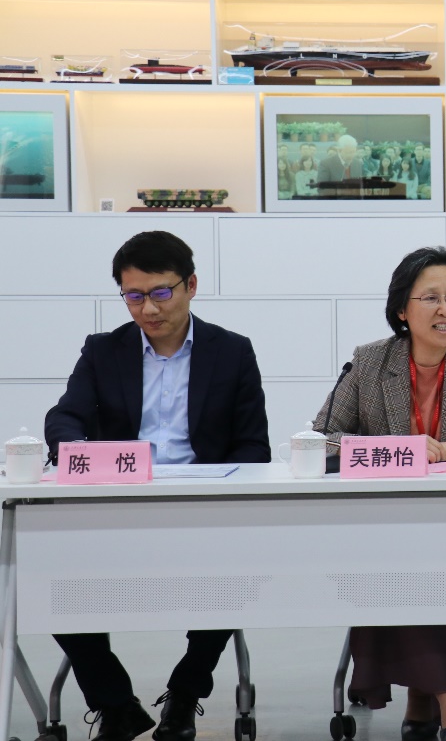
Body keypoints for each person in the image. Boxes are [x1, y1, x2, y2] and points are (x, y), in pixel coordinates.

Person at [44, 230, 270, 741]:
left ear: (191, 285)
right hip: (117, 505)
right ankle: (115, 703)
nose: (148, 309)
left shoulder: (232, 352)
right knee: (51, 582)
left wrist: (222, 491)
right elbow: (65, 416)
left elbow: (253, 445)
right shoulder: (103, 350)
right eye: (134, 296)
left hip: (203, 508)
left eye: (161, 292)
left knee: (230, 577)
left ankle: (185, 695)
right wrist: (77, 452)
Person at [313, 246, 446, 741]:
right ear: (401, 310)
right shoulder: (371, 361)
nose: (445, 309)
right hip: (388, 523)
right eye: (430, 298)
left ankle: (421, 699)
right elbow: (322, 439)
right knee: (405, 556)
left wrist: (443, 451)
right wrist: (400, 451)